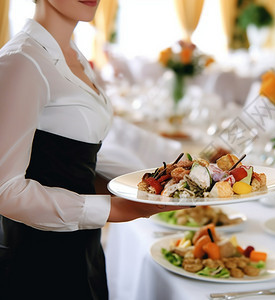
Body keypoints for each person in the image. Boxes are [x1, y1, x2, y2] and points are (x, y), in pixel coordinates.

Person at [0, 1, 188, 299]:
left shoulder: (73, 53)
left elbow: (70, 162)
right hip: (38, 259)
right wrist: (115, 209)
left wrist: (155, 184)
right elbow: (5, 191)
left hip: (82, 246)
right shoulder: (21, 60)